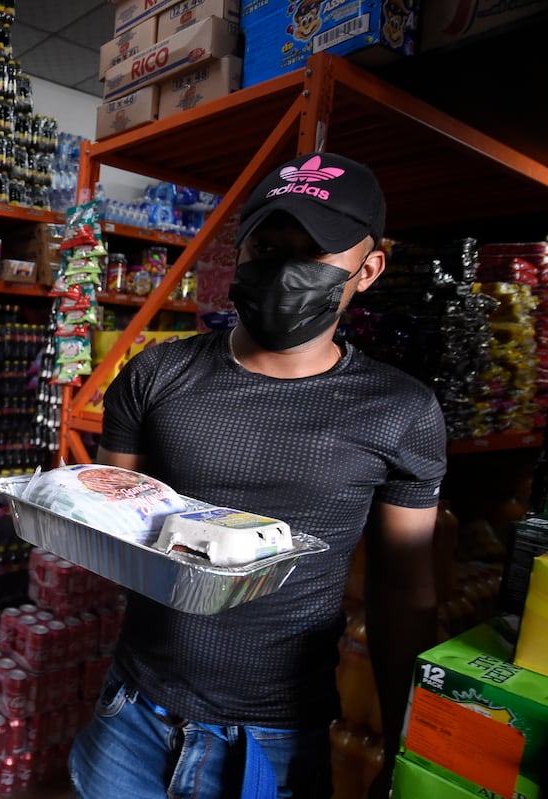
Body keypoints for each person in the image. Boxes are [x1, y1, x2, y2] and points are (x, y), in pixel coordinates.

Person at [68, 152, 446, 799]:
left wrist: (407, 743)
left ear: (368, 269)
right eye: (267, 247)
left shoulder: (401, 411)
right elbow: (112, 519)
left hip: (276, 741)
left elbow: (403, 592)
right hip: (135, 715)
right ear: (241, 252)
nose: (284, 270)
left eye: (314, 252)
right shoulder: (155, 375)